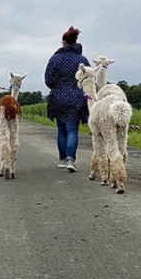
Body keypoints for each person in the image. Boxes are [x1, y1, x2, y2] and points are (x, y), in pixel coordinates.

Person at [45, 26, 90, 173]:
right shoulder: (82, 60)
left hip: (58, 98)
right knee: (72, 129)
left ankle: (63, 159)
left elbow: (48, 80)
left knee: (61, 130)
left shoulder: (55, 58)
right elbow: (89, 79)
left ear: (64, 42)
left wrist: (57, 86)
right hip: (77, 99)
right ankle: (71, 159)